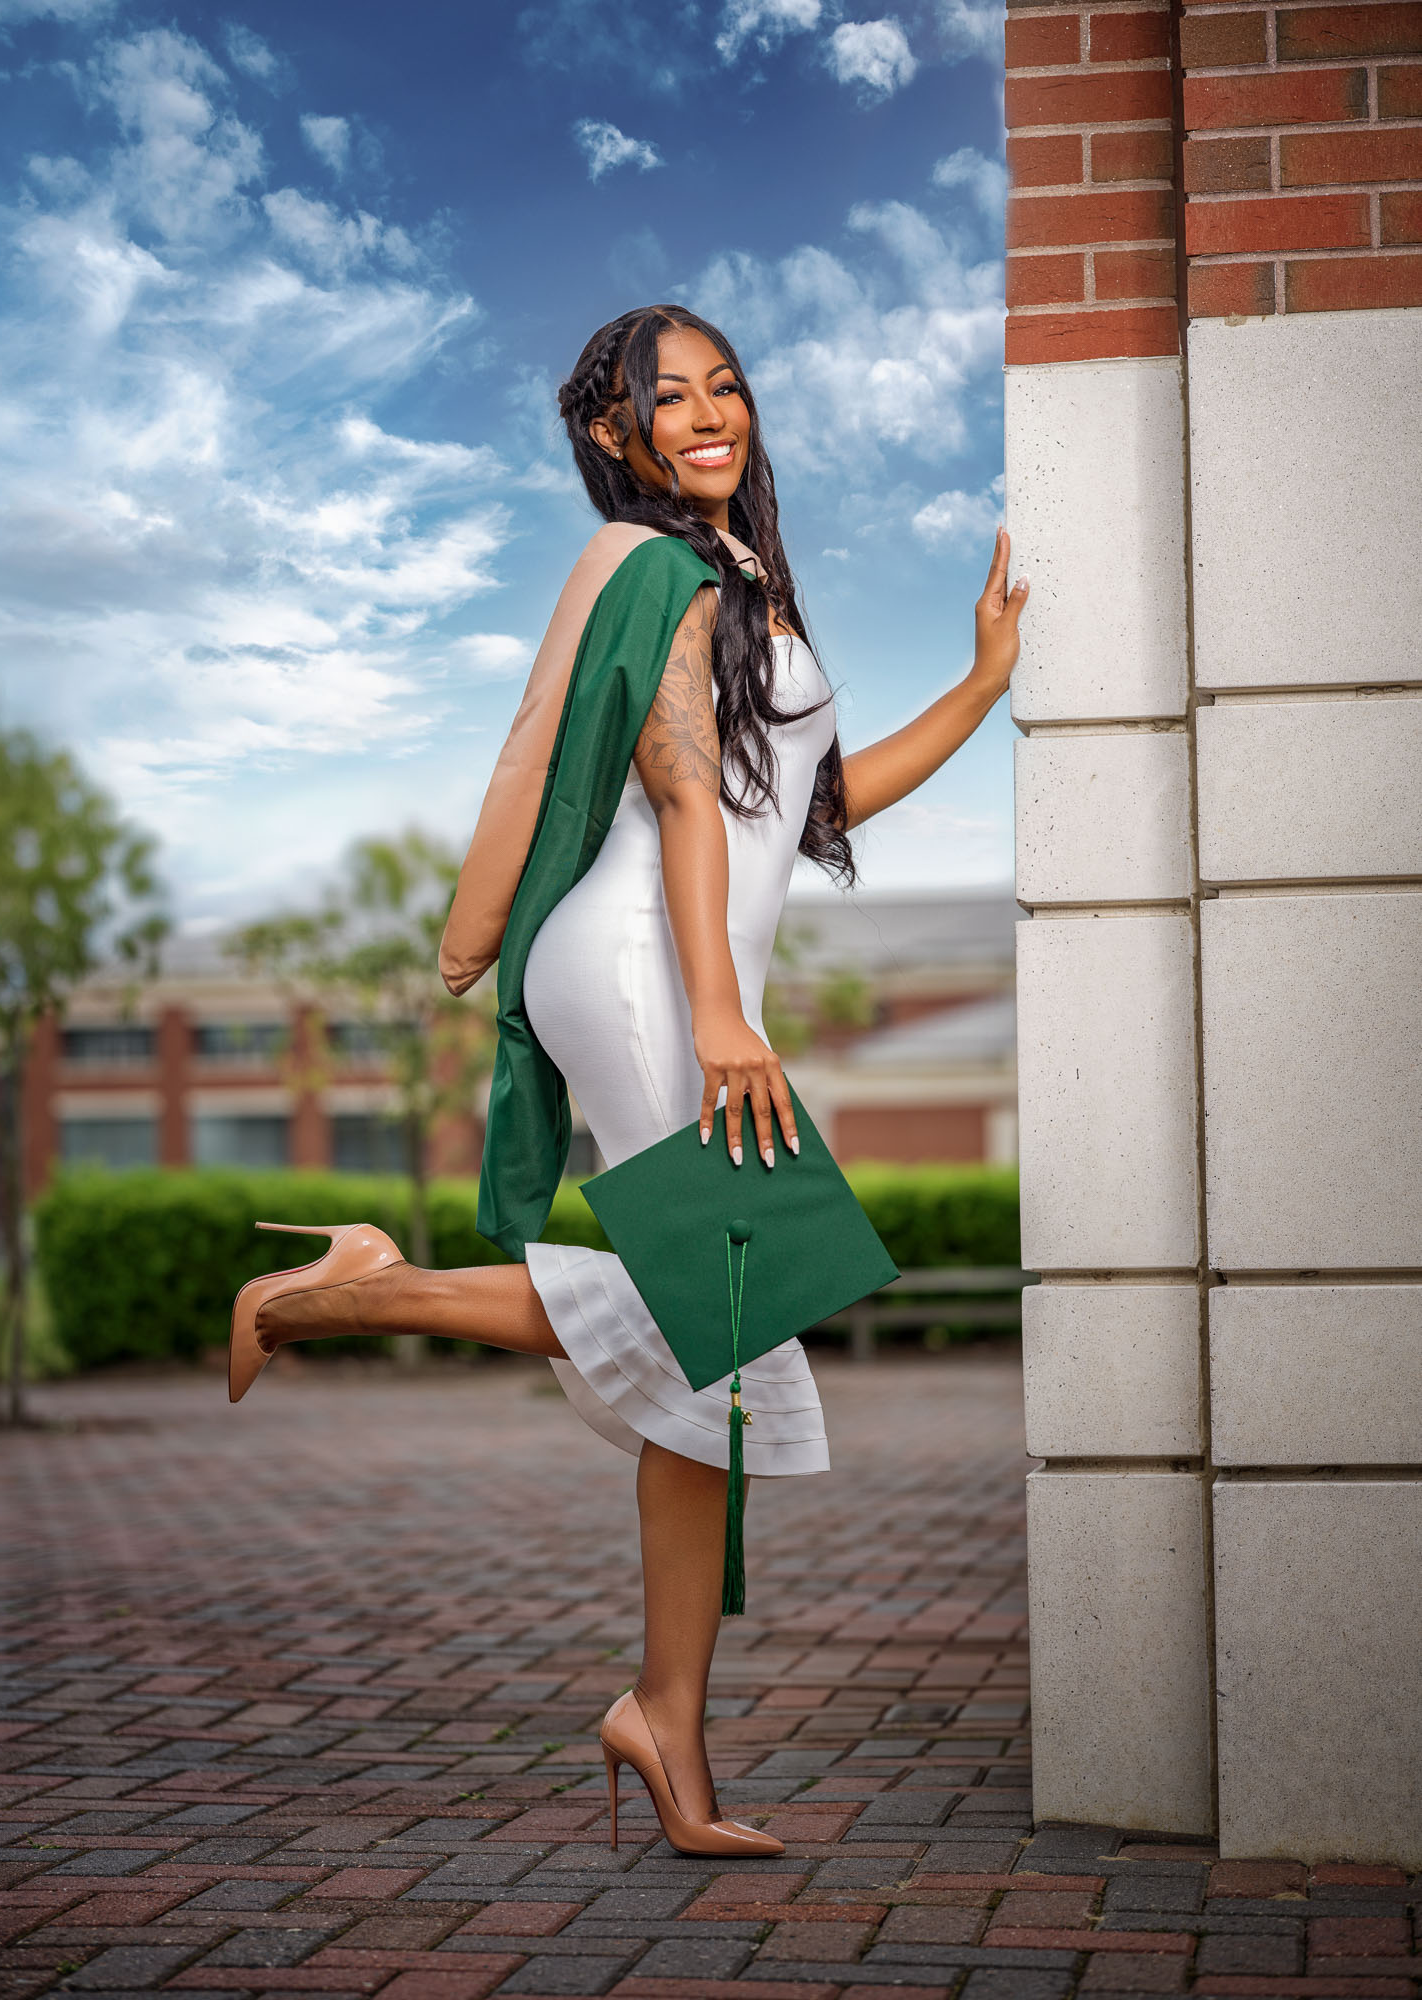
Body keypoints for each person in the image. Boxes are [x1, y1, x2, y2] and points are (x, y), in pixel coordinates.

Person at [228, 303, 1027, 1858]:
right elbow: (675, 785)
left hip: (685, 965)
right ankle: (353, 1293)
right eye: (674, 396)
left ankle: (664, 1722)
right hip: (638, 963)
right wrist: (722, 1011)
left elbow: (811, 801)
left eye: (728, 385)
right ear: (616, 434)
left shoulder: (748, 585)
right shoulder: (660, 569)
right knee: (719, 1314)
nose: (713, 412)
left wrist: (983, 682)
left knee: (711, 1363)